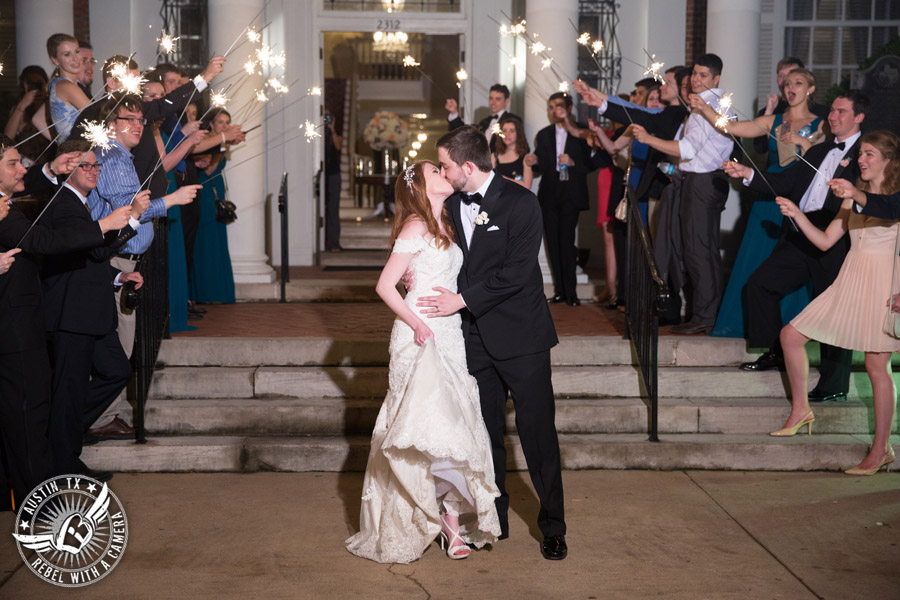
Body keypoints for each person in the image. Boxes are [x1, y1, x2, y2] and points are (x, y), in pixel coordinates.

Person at [418, 125, 567, 560]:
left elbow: (518, 273)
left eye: (446, 166)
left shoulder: (522, 202)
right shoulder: (447, 206)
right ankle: (493, 519)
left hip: (523, 337)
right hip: (474, 339)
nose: (443, 174)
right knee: (485, 437)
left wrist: (460, 300)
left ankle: (553, 526)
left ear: (467, 166)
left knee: (538, 435)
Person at [346, 161, 501, 563]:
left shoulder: (447, 223)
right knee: (421, 428)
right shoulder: (415, 226)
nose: (444, 173)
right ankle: (417, 519)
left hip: (449, 333)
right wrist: (416, 323)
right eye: (435, 170)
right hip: (420, 333)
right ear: (419, 185)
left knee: (452, 427)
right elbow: (385, 285)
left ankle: (449, 523)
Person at [0, 136, 135, 506]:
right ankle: (38, 502)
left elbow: (39, 199)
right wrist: (105, 223)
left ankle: (38, 482)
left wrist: (49, 169)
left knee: (38, 409)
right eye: (13, 163)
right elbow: (45, 241)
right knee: (29, 415)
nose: (21, 168)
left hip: (28, 320)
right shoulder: (10, 212)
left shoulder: (8, 205)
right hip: (18, 323)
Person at [724, 90, 868, 403]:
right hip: (802, 231)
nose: (833, 116)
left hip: (837, 234)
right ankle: (777, 352)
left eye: (842, 112)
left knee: (834, 310)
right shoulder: (819, 150)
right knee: (760, 284)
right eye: (832, 111)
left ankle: (834, 384)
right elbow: (786, 182)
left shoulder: (865, 154)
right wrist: (747, 173)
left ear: (859, 117)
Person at [773, 130, 899, 476]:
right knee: (791, 335)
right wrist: (797, 214)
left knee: (877, 367)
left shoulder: (894, 197)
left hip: (885, 284)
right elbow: (827, 240)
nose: (862, 160)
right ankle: (801, 411)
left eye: (870, 154)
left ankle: (882, 449)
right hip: (850, 277)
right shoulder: (851, 196)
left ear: (889, 160)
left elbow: (886, 208)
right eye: (861, 154)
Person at [41, 140, 148, 481]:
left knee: (116, 371)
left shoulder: (82, 204)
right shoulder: (61, 203)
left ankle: (60, 428)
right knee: (69, 389)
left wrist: (120, 275)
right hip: (72, 313)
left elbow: (92, 257)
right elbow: (93, 250)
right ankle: (63, 461)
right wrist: (127, 220)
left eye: (95, 166)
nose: (92, 171)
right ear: (67, 167)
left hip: (91, 311)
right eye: (84, 165)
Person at [705, 69, 826, 338]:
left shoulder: (821, 125)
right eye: (787, 83)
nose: (790, 87)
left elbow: (823, 162)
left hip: (799, 200)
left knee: (792, 263)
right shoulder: (774, 121)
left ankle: (792, 328)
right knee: (756, 258)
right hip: (767, 195)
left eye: (798, 83)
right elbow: (731, 127)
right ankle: (747, 325)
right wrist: (704, 107)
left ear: (811, 89)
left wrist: (802, 142)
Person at [628, 54, 735, 334]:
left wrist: (648, 139)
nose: (696, 81)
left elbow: (687, 150)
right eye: (694, 75)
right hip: (697, 181)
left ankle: (706, 316)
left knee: (699, 251)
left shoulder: (708, 108)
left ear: (716, 79)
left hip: (703, 183)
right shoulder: (705, 107)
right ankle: (703, 314)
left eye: (702, 76)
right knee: (696, 250)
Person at [529, 91, 609, 306]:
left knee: (567, 242)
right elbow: (541, 167)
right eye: (551, 107)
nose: (555, 111)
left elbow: (594, 163)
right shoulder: (544, 134)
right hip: (549, 193)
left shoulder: (581, 132)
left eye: (559, 106)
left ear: (569, 108)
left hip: (571, 193)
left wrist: (573, 164)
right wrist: (533, 161)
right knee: (552, 243)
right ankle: (560, 291)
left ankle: (571, 293)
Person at [192, 108, 239, 304]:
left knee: (217, 242)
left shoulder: (220, 141)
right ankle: (206, 293)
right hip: (205, 197)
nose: (224, 125)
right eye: (220, 122)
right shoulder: (206, 141)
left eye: (227, 122)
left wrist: (225, 142)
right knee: (206, 243)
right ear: (211, 124)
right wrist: (223, 143)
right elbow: (209, 169)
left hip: (216, 194)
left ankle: (218, 292)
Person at [45, 33, 92, 143]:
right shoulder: (67, 87)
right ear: (55, 60)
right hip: (78, 155)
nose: (75, 59)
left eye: (77, 52)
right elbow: (98, 117)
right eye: (67, 54)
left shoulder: (56, 84)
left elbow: (37, 119)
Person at [446, 83, 519, 151]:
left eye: (497, 99)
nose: (493, 102)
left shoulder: (513, 120)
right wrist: (454, 112)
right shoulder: (485, 122)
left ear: (507, 101)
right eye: (491, 98)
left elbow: (519, 145)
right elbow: (466, 133)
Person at [4, 66, 52, 166]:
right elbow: (8, 138)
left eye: (38, 84)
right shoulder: (19, 109)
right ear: (24, 85)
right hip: (24, 166)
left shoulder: (49, 106)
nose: (35, 87)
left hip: (47, 164)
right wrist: (22, 105)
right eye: (30, 84)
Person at [491, 115, 533, 188]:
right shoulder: (494, 156)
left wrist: (501, 178)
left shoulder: (526, 158)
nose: (507, 134)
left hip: (517, 198)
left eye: (511, 131)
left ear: (518, 134)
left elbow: (527, 186)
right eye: (504, 131)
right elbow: (490, 182)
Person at [324, 108, 343, 252]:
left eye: (329, 116)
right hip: (320, 174)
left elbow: (338, 146)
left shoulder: (335, 133)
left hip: (333, 174)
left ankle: (334, 242)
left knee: (333, 209)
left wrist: (332, 129)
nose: (327, 119)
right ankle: (322, 241)